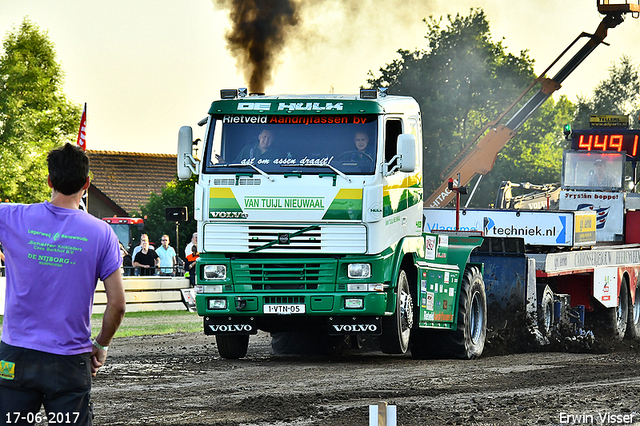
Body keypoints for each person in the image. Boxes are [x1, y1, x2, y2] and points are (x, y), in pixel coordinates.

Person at [0, 143, 126, 425]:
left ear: (49, 181)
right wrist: (101, 345)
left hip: (16, 356)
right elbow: (117, 306)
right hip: (69, 360)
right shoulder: (102, 233)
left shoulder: (11, 217)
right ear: (87, 184)